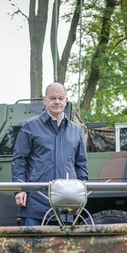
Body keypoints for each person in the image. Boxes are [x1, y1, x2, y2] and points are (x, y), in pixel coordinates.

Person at [12, 82, 88, 226]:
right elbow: (19, 160)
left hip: (67, 204)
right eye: (53, 98)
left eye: (60, 98)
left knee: (65, 249)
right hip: (36, 203)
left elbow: (81, 165)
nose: (57, 102)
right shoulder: (30, 126)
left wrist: (81, 191)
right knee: (34, 248)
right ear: (44, 100)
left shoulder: (76, 130)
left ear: (66, 100)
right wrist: (20, 189)